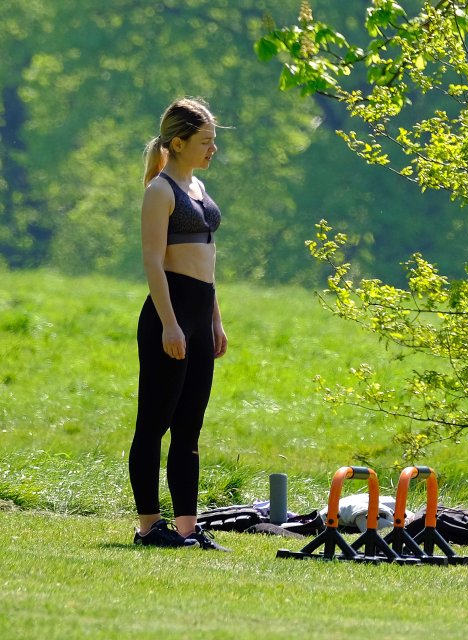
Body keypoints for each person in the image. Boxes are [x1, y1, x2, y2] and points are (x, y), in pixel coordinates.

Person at [129, 97, 229, 551]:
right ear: (179, 142)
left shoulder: (200, 188)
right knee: (154, 423)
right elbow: (153, 262)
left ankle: (188, 528)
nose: (212, 150)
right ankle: (149, 526)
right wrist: (170, 324)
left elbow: (207, 263)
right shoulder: (160, 191)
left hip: (199, 315)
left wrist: (215, 321)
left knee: (190, 427)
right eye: (205, 142)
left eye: (213, 142)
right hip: (168, 317)